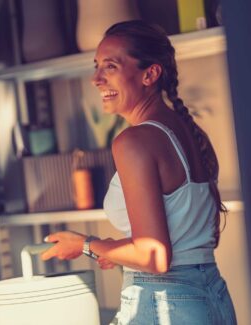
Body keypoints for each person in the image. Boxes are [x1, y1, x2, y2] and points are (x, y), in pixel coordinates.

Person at [41, 20, 237, 324]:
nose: (96, 79)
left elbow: (153, 257)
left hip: (166, 302)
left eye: (110, 66)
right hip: (211, 296)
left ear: (150, 74)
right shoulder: (189, 132)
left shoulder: (133, 141)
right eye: (97, 66)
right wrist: (114, 249)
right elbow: (189, 237)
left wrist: (83, 245)